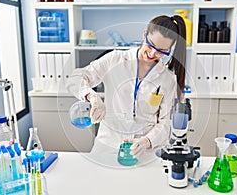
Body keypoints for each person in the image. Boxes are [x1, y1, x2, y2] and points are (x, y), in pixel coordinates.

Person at [66, 15, 186, 158]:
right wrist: (91, 96)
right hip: (108, 145)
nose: (153, 53)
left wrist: (147, 141)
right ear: (144, 34)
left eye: (161, 51)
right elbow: (75, 79)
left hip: (143, 151)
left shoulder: (167, 79)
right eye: (151, 44)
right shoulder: (115, 59)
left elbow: (166, 123)